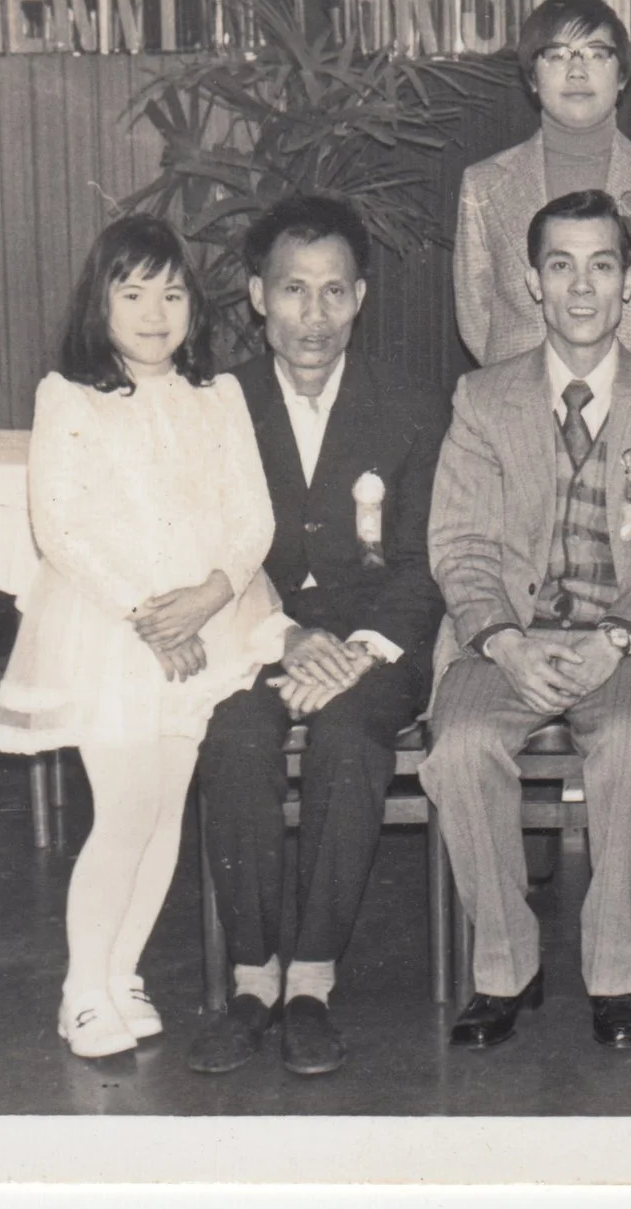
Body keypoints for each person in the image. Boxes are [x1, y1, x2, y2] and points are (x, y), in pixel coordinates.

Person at [0, 214, 280, 1059]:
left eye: (173, 290)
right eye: (133, 291)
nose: (156, 311)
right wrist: (150, 615)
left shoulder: (216, 399)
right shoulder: (68, 395)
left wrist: (211, 595)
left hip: (207, 626)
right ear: (100, 302)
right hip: (112, 631)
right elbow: (60, 525)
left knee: (165, 816)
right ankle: (82, 986)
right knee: (123, 810)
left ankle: (122, 970)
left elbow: (250, 515)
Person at [421, 190, 631, 1053]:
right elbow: (460, 543)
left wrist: (618, 636)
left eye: (603, 265)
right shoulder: (482, 397)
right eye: (561, 265)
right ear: (533, 282)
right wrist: (503, 639)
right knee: (460, 746)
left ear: (629, 283)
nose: (583, 287)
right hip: (507, 635)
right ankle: (506, 963)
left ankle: (615, 972)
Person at [189, 197, 448, 1079]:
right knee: (235, 734)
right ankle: (252, 978)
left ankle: (311, 980)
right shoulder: (215, 405)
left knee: (347, 735)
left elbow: (422, 564)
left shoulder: (410, 405)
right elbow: (200, 551)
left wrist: (356, 651)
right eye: (294, 290)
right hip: (254, 634)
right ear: (258, 295)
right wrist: (288, 637)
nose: (314, 314)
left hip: (372, 649)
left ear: (361, 297)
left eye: (334, 291)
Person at [452, 0, 631, 373]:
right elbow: (476, 318)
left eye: (596, 53)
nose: (577, 71)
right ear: (533, 77)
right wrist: (521, 394)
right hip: (520, 414)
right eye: (558, 55)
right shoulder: (482, 185)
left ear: (623, 75)